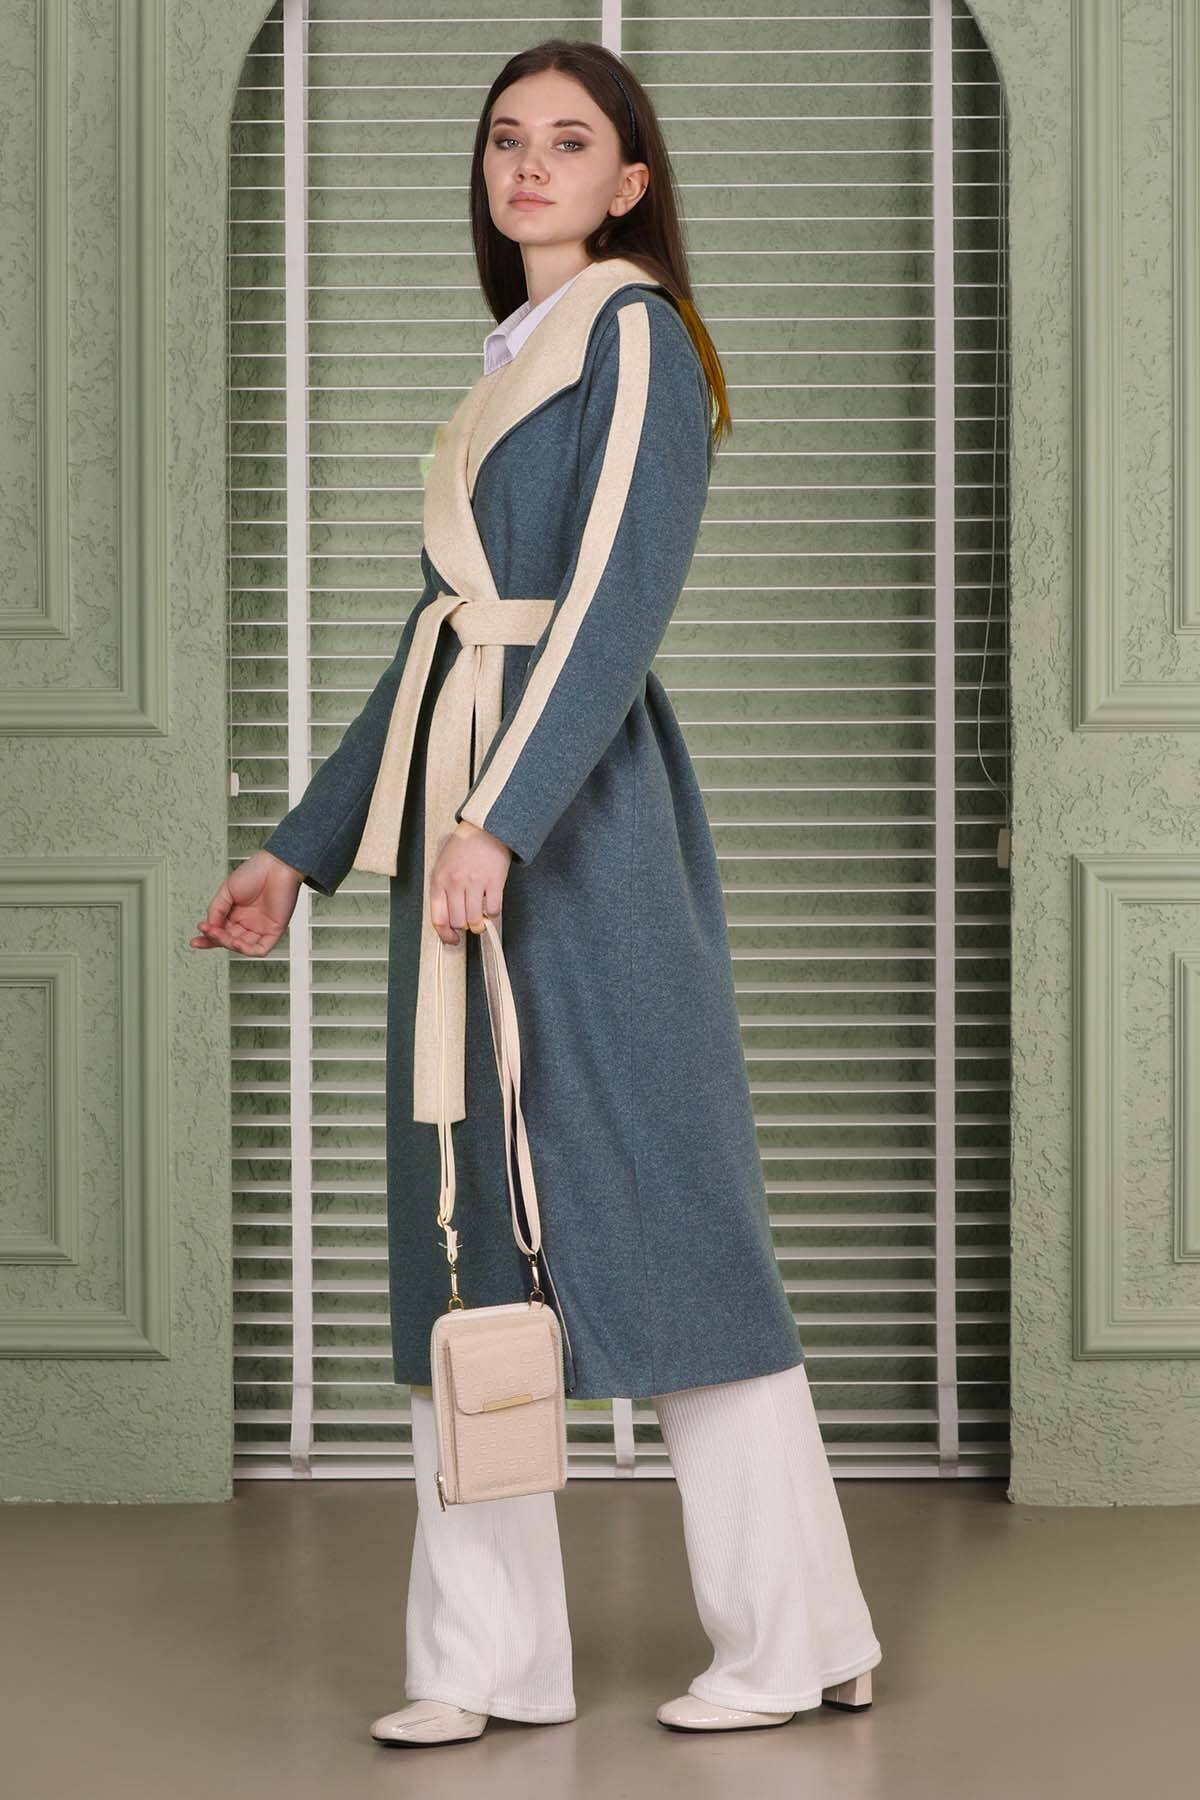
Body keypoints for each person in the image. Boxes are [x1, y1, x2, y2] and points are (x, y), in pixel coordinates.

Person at [192, 39, 882, 1743]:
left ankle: (795, 1637)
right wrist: (296, 849)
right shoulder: (511, 354)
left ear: (630, 180)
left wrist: (499, 817)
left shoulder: (635, 333)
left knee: (671, 1222)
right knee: (471, 1244)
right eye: (508, 137)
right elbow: (439, 646)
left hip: (582, 833)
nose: (530, 163)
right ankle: (484, 1660)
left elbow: (614, 606)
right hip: (463, 823)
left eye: (570, 141)